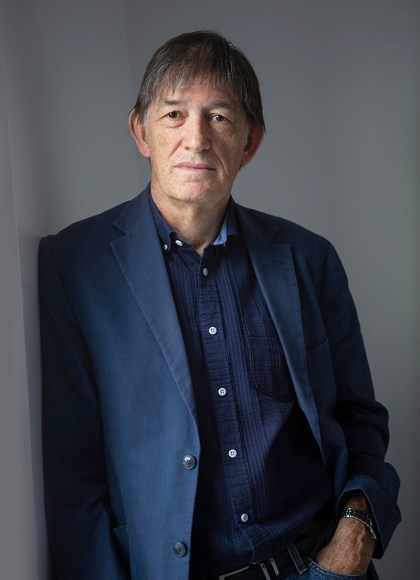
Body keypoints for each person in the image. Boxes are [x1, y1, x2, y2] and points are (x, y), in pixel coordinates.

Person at [39, 31, 401, 580]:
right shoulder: (76, 265)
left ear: (250, 142)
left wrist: (355, 536)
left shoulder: (309, 258)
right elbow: (74, 476)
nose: (197, 139)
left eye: (220, 118)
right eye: (174, 115)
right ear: (140, 131)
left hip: (320, 565)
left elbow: (360, 419)